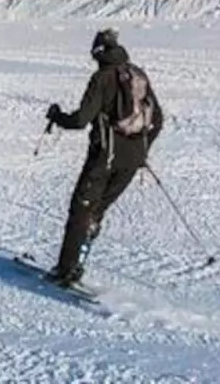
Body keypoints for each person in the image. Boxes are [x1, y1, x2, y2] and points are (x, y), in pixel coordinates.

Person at [42, 28, 162, 288]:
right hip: (132, 160)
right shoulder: (137, 74)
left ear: (97, 52)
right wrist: (142, 151)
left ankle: (66, 271)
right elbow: (158, 119)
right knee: (97, 211)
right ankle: (77, 265)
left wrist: (56, 116)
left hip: (105, 157)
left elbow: (80, 120)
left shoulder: (102, 78)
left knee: (81, 210)